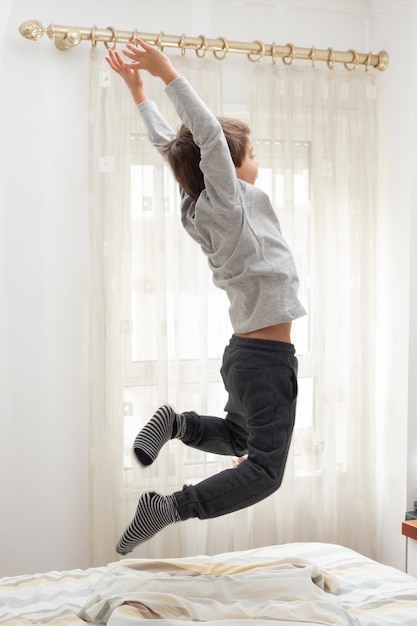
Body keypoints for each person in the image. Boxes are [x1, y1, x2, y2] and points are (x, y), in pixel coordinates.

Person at [105, 39, 306, 555]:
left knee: (240, 441)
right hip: (262, 361)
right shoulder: (227, 202)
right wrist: (166, 72)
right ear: (226, 167)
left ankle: (176, 424)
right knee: (264, 470)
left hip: (246, 356)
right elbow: (208, 138)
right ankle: (170, 507)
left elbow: (172, 148)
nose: (255, 160)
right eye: (253, 155)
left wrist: (138, 94)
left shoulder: (196, 204)